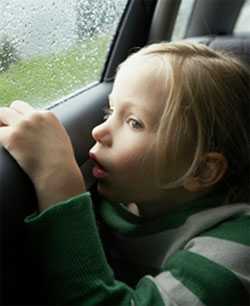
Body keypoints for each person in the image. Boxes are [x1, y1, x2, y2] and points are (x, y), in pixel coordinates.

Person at [0, 41, 250, 306]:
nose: (99, 131)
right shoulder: (126, 199)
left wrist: (58, 179)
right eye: (110, 111)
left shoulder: (234, 250)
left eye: (134, 122)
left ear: (201, 170)